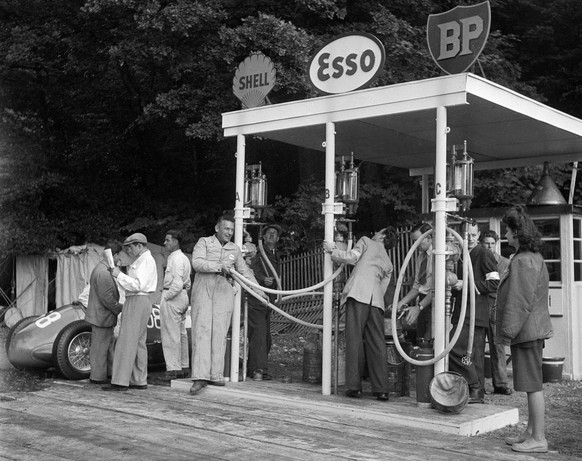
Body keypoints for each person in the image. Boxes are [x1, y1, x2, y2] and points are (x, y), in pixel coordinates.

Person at [189, 214, 266, 395]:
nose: (229, 233)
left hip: (224, 290)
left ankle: (215, 374)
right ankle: (200, 377)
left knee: (220, 332)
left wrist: (261, 292)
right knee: (202, 331)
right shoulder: (204, 242)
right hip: (204, 289)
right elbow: (197, 263)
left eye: (232, 230)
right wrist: (218, 266)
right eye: (226, 229)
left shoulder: (235, 249)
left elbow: (244, 272)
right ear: (217, 228)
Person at [498, 206, 552, 453]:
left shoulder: (523, 261)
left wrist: (507, 331)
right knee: (532, 383)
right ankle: (530, 432)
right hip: (532, 329)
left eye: (508, 230)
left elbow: (520, 300)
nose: (506, 235)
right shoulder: (531, 257)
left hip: (527, 331)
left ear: (517, 232)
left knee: (532, 386)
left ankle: (538, 438)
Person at [323, 226, 398, 401]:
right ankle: (382, 389)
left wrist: (332, 250)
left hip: (358, 294)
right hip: (376, 301)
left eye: (379, 231)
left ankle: (354, 387)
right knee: (377, 343)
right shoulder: (388, 262)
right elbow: (384, 287)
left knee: (354, 339)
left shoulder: (366, 241)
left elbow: (351, 258)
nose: (375, 232)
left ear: (383, 236)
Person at [449, 223, 500, 404]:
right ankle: (475, 391)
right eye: (466, 234)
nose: (470, 238)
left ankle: (475, 387)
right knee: (472, 354)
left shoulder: (483, 253)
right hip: (463, 312)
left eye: (473, 234)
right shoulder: (462, 256)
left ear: (478, 234)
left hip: (476, 313)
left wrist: (466, 284)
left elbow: (494, 284)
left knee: (455, 349)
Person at [103, 233, 158, 391]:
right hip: (141, 300)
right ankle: (138, 379)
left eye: (130, 247)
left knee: (126, 341)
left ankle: (120, 381)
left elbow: (137, 285)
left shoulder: (145, 261)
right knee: (139, 342)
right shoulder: (144, 260)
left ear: (139, 246)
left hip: (137, 300)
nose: (128, 250)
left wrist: (119, 275)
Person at [85, 241, 124, 384]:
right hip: (102, 316)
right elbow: (107, 298)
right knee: (100, 348)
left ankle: (105, 374)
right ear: (113, 254)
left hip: (101, 316)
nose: (120, 257)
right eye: (119, 254)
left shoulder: (102, 268)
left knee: (105, 346)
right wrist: (120, 308)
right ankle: (97, 377)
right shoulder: (104, 272)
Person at [247, 223, 282, 381]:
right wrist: (262, 280)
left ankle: (254, 368)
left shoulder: (275, 254)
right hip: (257, 298)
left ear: (278, 238)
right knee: (260, 335)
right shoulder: (259, 253)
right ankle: (258, 370)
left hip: (268, 300)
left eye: (274, 233)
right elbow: (250, 271)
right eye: (268, 233)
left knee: (265, 337)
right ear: (263, 237)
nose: (271, 235)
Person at [481, 229, 512, 395]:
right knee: (477, 345)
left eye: (492, 244)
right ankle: (477, 384)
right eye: (487, 243)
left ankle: (500, 383)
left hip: (496, 305)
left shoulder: (504, 263)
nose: (490, 246)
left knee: (497, 345)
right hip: (480, 303)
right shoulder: (478, 258)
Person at [159, 229, 192, 381]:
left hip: (173, 296)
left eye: (168, 240)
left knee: (170, 334)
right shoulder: (184, 258)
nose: (165, 243)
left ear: (176, 241)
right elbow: (188, 283)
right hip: (183, 296)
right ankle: (184, 366)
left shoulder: (176, 259)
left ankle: (173, 369)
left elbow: (177, 283)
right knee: (181, 332)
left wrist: (167, 296)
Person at [396, 222, 433, 343]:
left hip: (435, 303)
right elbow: (417, 286)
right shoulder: (420, 257)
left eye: (418, 240)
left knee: (429, 342)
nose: (415, 245)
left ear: (428, 237)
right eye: (414, 241)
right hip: (423, 302)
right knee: (420, 341)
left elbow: (437, 289)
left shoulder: (437, 255)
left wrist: (418, 307)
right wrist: (400, 304)